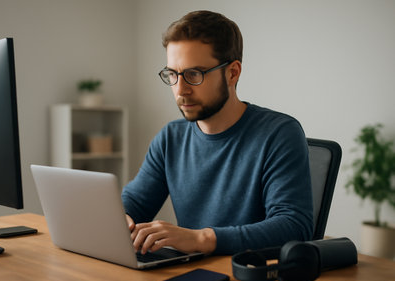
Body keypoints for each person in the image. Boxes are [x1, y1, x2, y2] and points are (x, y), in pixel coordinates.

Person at [122, 10, 313, 256]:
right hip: (192, 276)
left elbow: (294, 226)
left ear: (232, 72)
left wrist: (201, 238)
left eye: (194, 74)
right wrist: (121, 219)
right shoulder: (171, 138)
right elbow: (135, 202)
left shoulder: (279, 134)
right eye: (173, 74)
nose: (180, 90)